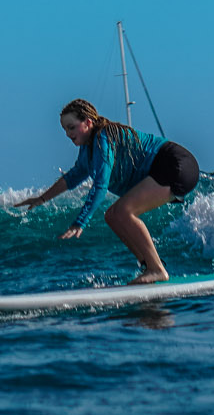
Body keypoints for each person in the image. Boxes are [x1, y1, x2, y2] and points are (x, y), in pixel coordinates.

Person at [18, 98, 200, 283]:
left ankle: (157, 269)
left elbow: (100, 185)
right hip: (168, 168)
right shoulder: (87, 149)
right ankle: (149, 266)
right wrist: (41, 199)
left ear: (88, 123)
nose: (67, 133)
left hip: (175, 164)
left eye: (71, 127)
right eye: (64, 129)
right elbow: (73, 176)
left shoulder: (102, 139)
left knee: (123, 211)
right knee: (112, 216)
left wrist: (80, 222)